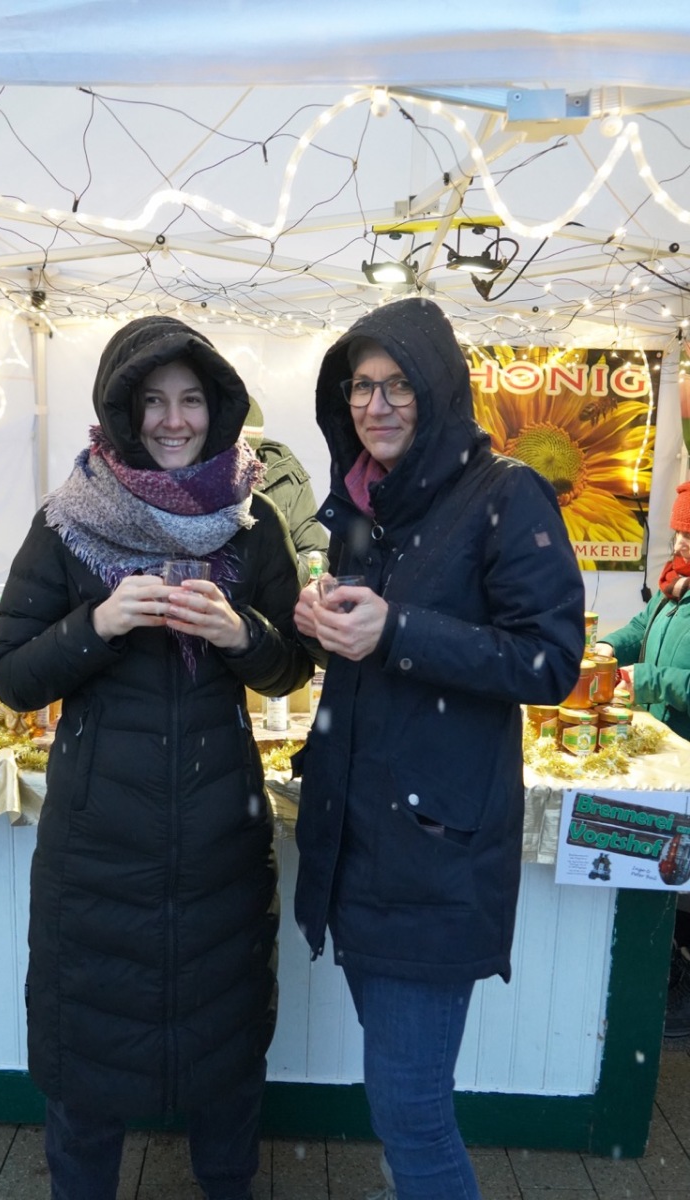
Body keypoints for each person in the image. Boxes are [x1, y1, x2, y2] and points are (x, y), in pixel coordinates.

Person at [0, 315, 314, 1200]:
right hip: (98, 852)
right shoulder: (66, 522)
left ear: (219, 408)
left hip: (219, 847)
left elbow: (291, 665)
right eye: (155, 401)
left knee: (224, 1060)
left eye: (192, 400)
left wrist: (241, 634)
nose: (175, 420)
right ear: (123, 410)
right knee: (86, 1066)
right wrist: (96, 624)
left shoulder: (253, 524)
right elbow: (11, 678)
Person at [292, 296, 586, 1200]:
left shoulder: (505, 495)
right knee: (401, 1107)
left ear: (440, 388)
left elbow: (550, 659)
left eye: (398, 385)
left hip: (432, 856)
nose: (375, 405)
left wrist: (397, 630)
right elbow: (367, 646)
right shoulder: (362, 504)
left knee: (411, 1110)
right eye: (360, 386)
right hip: (356, 843)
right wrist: (323, 624)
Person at [596, 480, 690, 1037]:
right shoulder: (673, 585)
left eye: (689, 535)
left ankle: (674, 981)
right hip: (661, 752)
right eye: (678, 532)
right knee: (652, 860)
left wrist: (649, 679)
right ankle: (659, 963)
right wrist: (604, 649)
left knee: (674, 865)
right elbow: (640, 628)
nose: (679, 543)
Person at [242, 394, 329, 584]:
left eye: (247, 453)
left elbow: (317, 553)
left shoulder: (285, 477)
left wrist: (287, 570)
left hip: (276, 601)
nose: (238, 462)